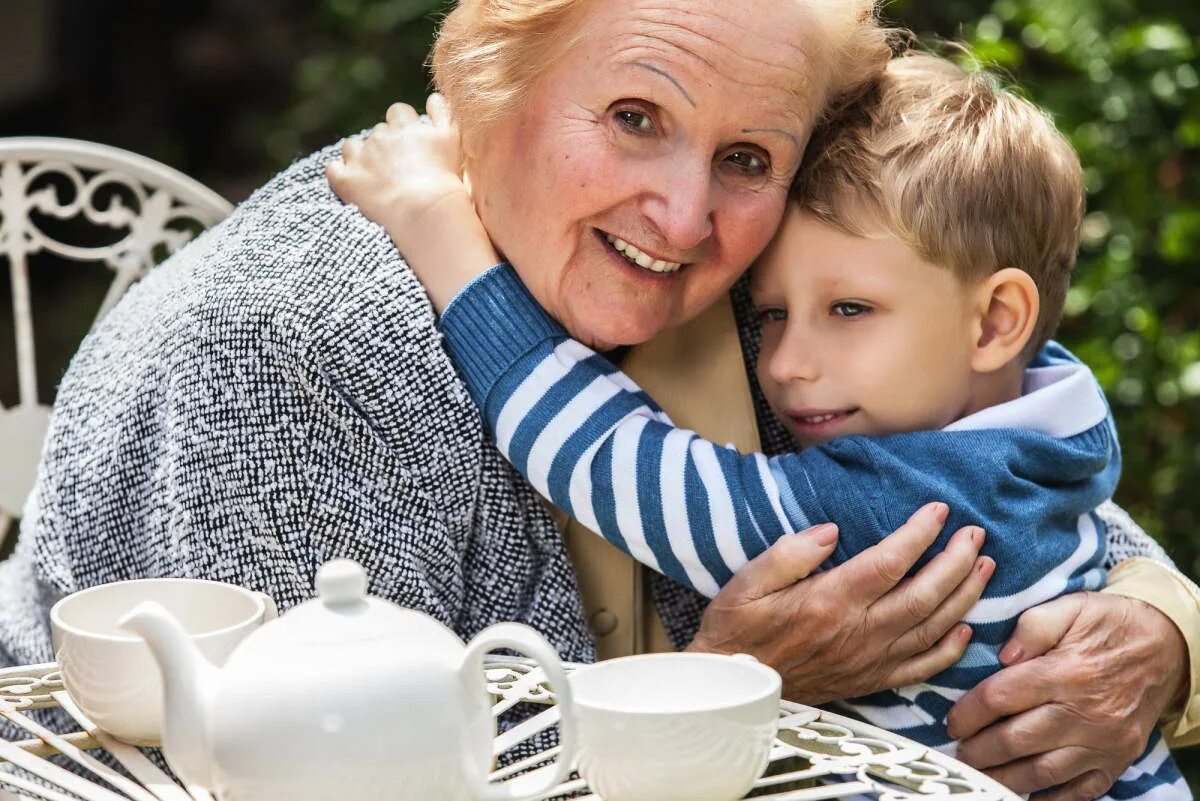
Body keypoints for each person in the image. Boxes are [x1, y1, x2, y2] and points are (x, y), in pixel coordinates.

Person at [4, 2, 1195, 799]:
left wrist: (1161, 642)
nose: (683, 219)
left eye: (746, 157)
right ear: (487, 88)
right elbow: (322, 774)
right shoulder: (299, 350)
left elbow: (1012, 481)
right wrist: (708, 702)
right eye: (635, 119)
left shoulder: (777, 279)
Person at [329, 51, 1188, 799]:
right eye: (772, 312)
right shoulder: (1054, 421)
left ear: (998, 320)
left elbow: (612, 459)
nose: (785, 364)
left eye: (849, 308)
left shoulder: (903, 502)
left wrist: (437, 228)